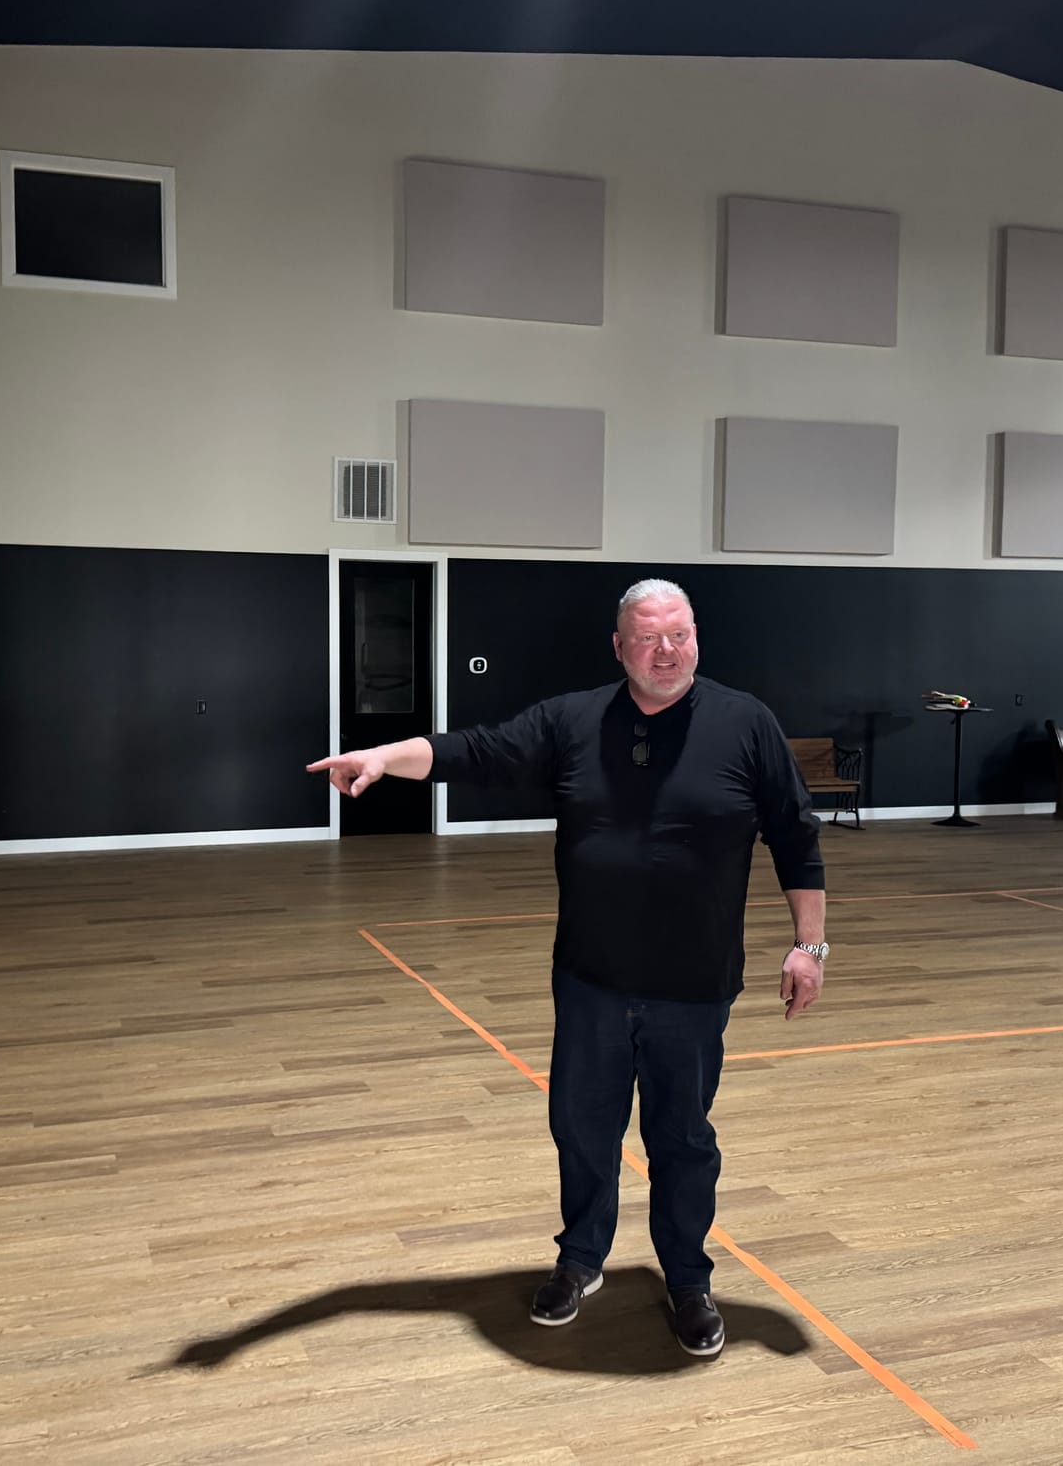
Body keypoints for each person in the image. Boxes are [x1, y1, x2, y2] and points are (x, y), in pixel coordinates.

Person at [308, 578, 828, 1359]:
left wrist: (809, 944)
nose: (666, 650)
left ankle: (687, 1277)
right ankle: (581, 1259)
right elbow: (472, 751)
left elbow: (795, 834)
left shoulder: (745, 723)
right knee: (582, 1129)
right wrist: (383, 754)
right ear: (619, 646)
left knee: (682, 1138)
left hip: (693, 984)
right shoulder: (573, 720)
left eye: (679, 635)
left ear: (697, 638)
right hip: (590, 978)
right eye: (648, 638)